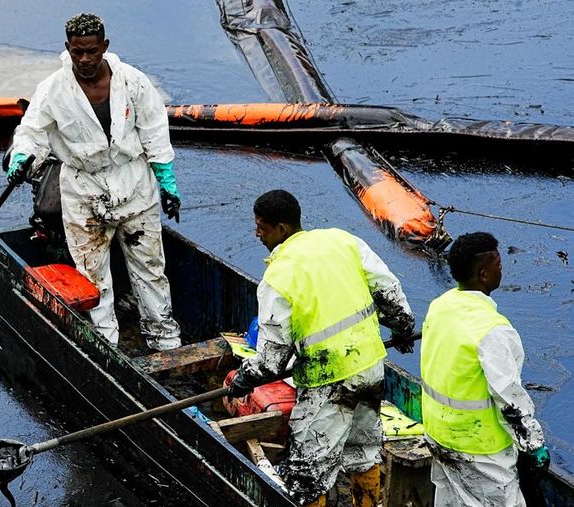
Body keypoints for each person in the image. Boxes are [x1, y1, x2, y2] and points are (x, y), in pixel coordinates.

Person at [5, 13, 182, 351]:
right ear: (67, 49)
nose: (84, 60)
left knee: (151, 269)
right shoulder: (53, 90)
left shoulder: (133, 82)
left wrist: (167, 182)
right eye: (77, 52)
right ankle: (105, 344)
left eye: (91, 51)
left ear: (104, 47)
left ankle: (164, 338)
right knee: (93, 277)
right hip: (83, 192)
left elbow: (155, 131)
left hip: (134, 187)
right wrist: (21, 158)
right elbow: (31, 132)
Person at [229, 189, 417, 506]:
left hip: (326, 382)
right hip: (369, 367)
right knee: (363, 452)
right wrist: (402, 327)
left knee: (307, 473)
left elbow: (273, 358)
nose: (257, 233)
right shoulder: (343, 241)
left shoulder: (278, 276)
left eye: (261, 226)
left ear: (282, 229)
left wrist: (246, 379)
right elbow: (386, 288)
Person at [421, 232, 549, 507]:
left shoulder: (439, 306)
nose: (502, 269)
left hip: (439, 435)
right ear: (483, 275)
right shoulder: (493, 331)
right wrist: (534, 445)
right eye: (498, 265)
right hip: (481, 450)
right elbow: (510, 400)